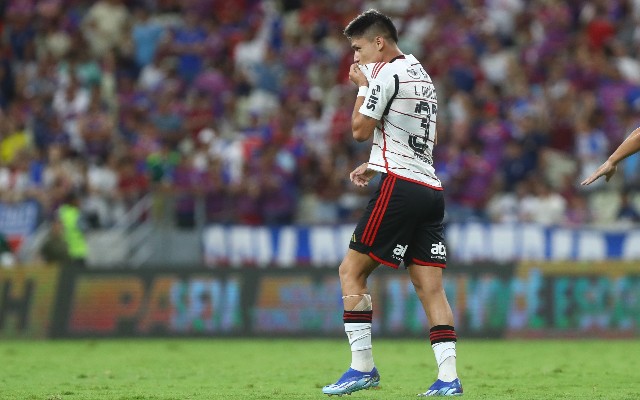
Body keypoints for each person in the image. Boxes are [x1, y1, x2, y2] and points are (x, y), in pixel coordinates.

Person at [322, 10, 462, 397]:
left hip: (400, 188)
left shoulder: (383, 73)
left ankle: (362, 368)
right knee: (430, 288)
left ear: (379, 42)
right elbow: (414, 135)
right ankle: (449, 379)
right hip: (430, 189)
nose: (356, 58)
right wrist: (376, 161)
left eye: (358, 48)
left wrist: (362, 88)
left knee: (351, 272)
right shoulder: (421, 74)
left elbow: (358, 130)